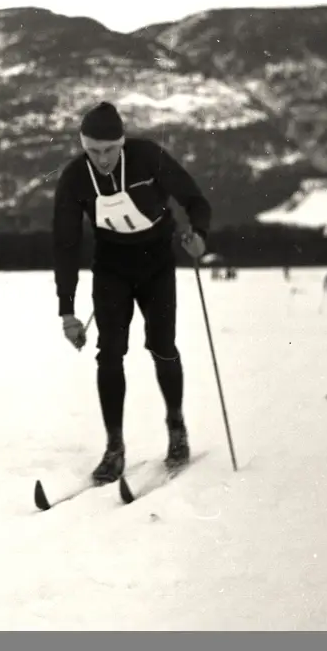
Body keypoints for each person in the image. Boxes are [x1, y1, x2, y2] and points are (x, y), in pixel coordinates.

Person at [52, 101, 211, 485]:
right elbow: (66, 243)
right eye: (93, 150)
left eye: (110, 149)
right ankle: (114, 447)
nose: (103, 158)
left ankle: (176, 426)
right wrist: (67, 310)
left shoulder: (146, 157)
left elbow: (194, 200)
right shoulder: (74, 178)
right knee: (109, 353)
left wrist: (200, 236)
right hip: (111, 266)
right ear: (83, 146)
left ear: (122, 143)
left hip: (156, 261)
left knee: (162, 345)